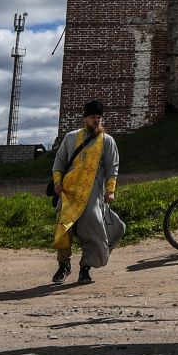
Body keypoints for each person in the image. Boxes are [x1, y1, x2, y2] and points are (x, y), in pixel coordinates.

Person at [51, 100, 122, 285]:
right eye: (93, 117)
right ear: (85, 119)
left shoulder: (107, 141)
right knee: (64, 228)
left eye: (99, 118)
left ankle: (85, 268)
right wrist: (57, 183)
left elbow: (112, 168)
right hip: (68, 194)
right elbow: (59, 162)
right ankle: (63, 265)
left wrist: (110, 191)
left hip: (92, 195)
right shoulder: (70, 138)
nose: (96, 121)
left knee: (91, 228)